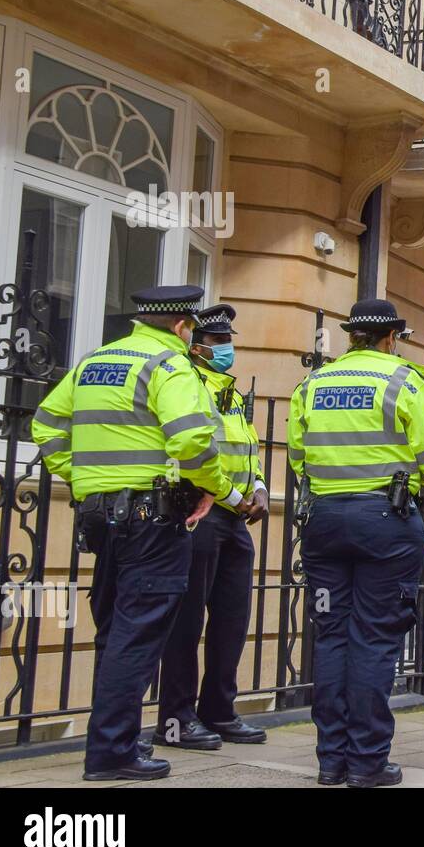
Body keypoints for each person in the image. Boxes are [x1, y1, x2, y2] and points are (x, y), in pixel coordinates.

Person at [32, 285, 246, 781]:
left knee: (114, 632)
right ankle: (112, 754)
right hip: (152, 518)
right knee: (138, 635)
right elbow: (192, 438)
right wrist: (219, 490)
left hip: (100, 514)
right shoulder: (169, 366)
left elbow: (45, 426)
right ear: (181, 326)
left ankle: (110, 746)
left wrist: (85, 478)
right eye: (193, 328)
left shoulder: (93, 362)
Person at [288, 298, 424, 787]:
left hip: (324, 521)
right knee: (375, 639)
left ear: (352, 335)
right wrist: (407, 484)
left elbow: (298, 456)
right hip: (386, 520)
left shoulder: (314, 383)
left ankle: (330, 761)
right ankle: (367, 762)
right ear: (390, 337)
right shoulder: (403, 380)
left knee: (332, 635)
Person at [155, 304, 269, 750]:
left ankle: (219, 710)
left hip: (236, 514)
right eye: (218, 341)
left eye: (228, 340)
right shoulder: (187, 382)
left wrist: (258, 486)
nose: (227, 348)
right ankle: (176, 719)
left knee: (232, 618)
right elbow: (190, 449)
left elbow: (248, 446)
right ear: (196, 343)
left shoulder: (232, 392)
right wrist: (233, 496)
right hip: (197, 510)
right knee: (186, 620)